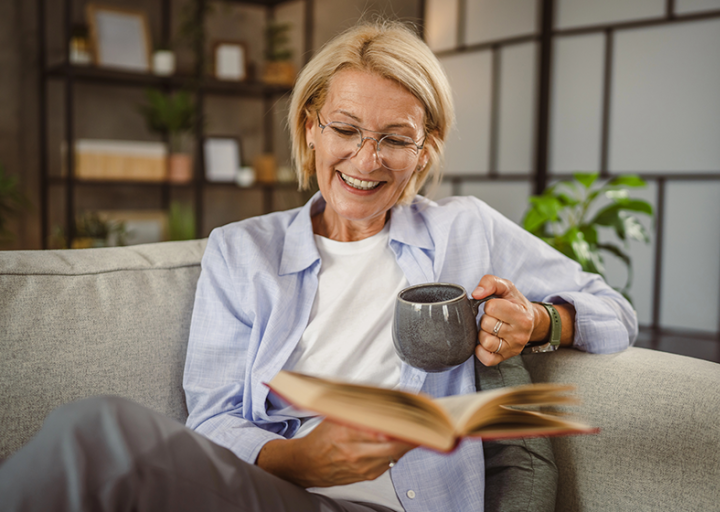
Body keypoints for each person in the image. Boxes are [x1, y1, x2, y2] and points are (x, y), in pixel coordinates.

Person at [0, 21, 636, 512]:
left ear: (425, 151)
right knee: (94, 432)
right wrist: (299, 460)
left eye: (394, 138)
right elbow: (214, 415)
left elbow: (615, 313)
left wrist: (541, 322)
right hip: (274, 491)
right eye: (346, 129)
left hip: (404, 502)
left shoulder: (463, 229)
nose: (366, 159)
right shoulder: (241, 250)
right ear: (310, 129)